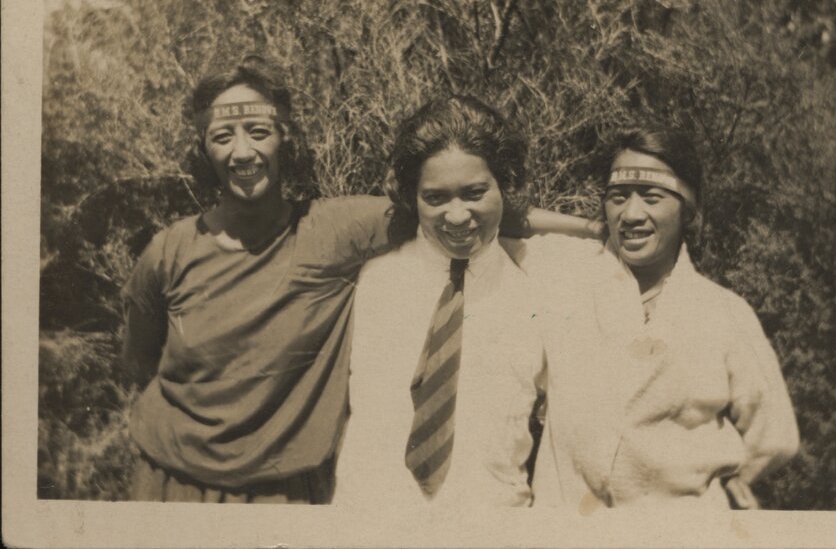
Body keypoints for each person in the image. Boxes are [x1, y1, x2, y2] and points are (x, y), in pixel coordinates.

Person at [121, 58, 593, 504]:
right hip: (176, 480)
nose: (242, 151)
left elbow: (462, 205)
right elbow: (141, 361)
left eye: (258, 132)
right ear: (202, 147)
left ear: (286, 139)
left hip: (286, 492)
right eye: (222, 135)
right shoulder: (171, 250)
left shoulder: (336, 232)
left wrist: (595, 228)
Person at [517, 118, 800, 511]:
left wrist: (737, 485)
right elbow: (494, 218)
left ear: (688, 207)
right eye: (618, 196)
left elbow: (777, 436)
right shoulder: (565, 275)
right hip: (568, 530)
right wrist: (591, 229)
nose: (631, 214)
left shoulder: (721, 311)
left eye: (651, 197)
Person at [334, 96, 550, 509]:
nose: (456, 216)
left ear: (505, 185)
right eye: (435, 197)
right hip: (367, 529)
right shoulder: (367, 283)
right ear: (412, 197)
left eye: (474, 193)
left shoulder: (540, 295)